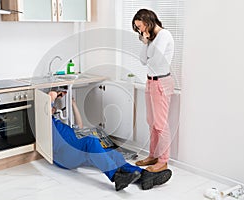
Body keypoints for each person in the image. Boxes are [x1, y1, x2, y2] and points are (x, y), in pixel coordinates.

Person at [48, 91, 172, 191]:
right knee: (91, 140)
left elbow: (79, 126)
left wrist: (72, 102)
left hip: (76, 152)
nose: (53, 109)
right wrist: (52, 96)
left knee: (110, 152)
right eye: (51, 107)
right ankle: (115, 176)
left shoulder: (60, 123)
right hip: (63, 156)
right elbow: (46, 108)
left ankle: (144, 176)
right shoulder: (47, 123)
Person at [132, 9, 175, 172]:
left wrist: (148, 41)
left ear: (148, 21)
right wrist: (145, 42)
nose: (140, 30)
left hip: (161, 82)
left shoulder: (164, 35)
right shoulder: (151, 38)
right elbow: (143, 61)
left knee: (161, 124)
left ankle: (163, 161)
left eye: (140, 26)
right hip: (150, 82)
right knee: (151, 123)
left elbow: (156, 60)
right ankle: (153, 155)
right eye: (137, 28)